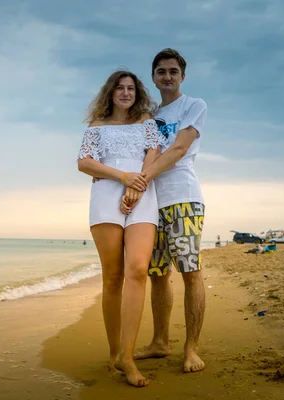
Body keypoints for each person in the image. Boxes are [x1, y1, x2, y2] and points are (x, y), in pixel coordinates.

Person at [121, 48, 208, 373]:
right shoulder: (150, 114)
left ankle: (191, 349)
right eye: (161, 71)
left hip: (182, 198)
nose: (167, 76)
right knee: (157, 274)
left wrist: (140, 178)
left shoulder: (193, 106)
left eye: (173, 71)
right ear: (154, 77)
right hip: (150, 203)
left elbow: (179, 148)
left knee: (190, 271)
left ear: (182, 76)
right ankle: (160, 342)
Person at [77, 70, 166, 387]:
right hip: (105, 197)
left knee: (138, 269)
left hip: (143, 195)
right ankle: (115, 353)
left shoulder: (146, 122)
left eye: (131, 88)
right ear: (110, 93)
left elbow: (153, 157)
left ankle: (128, 356)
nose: (126, 92)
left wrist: (136, 186)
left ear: (137, 93)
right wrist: (123, 178)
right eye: (120, 88)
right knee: (112, 276)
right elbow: (84, 162)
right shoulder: (96, 127)